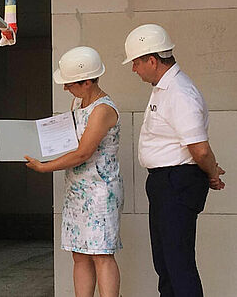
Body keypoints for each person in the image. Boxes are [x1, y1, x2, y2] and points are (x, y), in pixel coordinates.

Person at [122, 24, 225, 297]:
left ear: (152, 60)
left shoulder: (179, 92)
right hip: (167, 181)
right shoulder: (164, 88)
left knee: (178, 264)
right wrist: (210, 169)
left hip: (176, 182)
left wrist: (211, 171)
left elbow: (199, 149)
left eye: (136, 63)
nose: (134, 69)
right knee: (166, 264)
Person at [25, 46, 123, 297]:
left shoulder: (103, 109)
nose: (66, 88)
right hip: (77, 188)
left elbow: (83, 152)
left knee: (101, 253)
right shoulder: (78, 103)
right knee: (79, 254)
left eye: (70, 84)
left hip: (100, 190)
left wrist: (44, 167)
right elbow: (65, 142)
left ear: (87, 81)